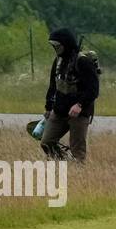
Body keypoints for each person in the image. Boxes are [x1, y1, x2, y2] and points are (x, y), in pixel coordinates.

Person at [42, 28, 99, 163]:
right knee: (46, 142)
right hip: (59, 110)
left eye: (57, 45)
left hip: (79, 113)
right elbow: (53, 86)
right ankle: (64, 164)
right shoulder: (58, 62)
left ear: (66, 44)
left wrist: (79, 105)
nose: (55, 48)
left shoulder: (83, 62)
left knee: (77, 150)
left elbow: (93, 89)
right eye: (53, 46)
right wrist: (48, 107)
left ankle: (77, 170)